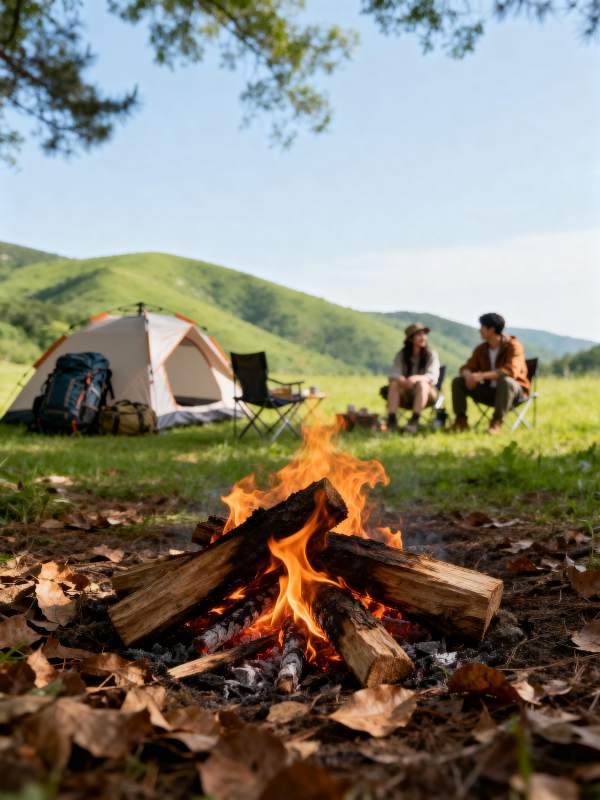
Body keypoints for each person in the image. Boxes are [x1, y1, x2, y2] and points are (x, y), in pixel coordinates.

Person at [451, 313, 530, 434]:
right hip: (490, 392)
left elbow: (511, 371)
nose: (479, 330)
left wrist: (481, 376)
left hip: (514, 393)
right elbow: (467, 367)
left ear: (491, 329)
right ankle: (461, 422)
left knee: (506, 381)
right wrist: (469, 376)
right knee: (458, 381)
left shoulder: (514, 346)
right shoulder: (481, 349)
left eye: (482, 327)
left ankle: (496, 423)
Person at [387, 323, 441, 434]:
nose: (423, 337)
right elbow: (394, 373)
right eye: (419, 335)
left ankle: (414, 421)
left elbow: (432, 376)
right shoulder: (402, 355)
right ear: (411, 339)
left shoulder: (431, 354)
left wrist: (415, 378)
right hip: (406, 392)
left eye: (424, 334)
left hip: (428, 394)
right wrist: (402, 379)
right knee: (394, 384)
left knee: (422, 384)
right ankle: (391, 421)